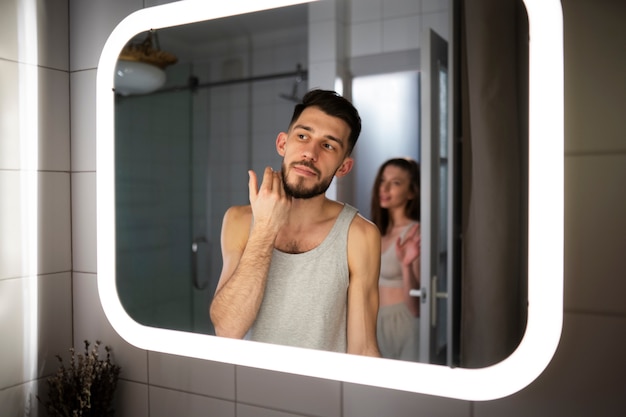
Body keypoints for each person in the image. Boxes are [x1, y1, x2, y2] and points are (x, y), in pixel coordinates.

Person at [209, 89, 381, 357]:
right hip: (245, 393)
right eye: (303, 136)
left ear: (343, 167)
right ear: (282, 143)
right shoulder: (239, 220)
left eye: (328, 146)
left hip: (324, 396)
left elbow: (364, 349)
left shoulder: (359, 235)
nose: (310, 153)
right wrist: (265, 228)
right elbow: (227, 330)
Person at [370, 157, 421, 361]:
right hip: (375, 318)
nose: (385, 188)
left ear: (411, 192)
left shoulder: (414, 233)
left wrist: (406, 265)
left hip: (404, 321)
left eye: (396, 183)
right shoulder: (375, 231)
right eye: (383, 180)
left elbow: (416, 307)